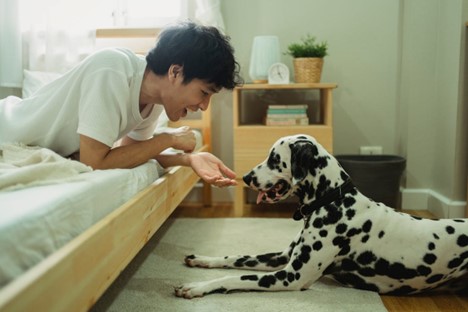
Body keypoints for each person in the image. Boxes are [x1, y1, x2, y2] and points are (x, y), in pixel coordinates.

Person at [0, 21, 243, 187]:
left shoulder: (155, 101)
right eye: (204, 93)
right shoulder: (111, 68)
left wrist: (188, 159)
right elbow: (94, 163)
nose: (203, 106)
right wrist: (168, 139)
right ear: (175, 73)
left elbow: (127, 156)